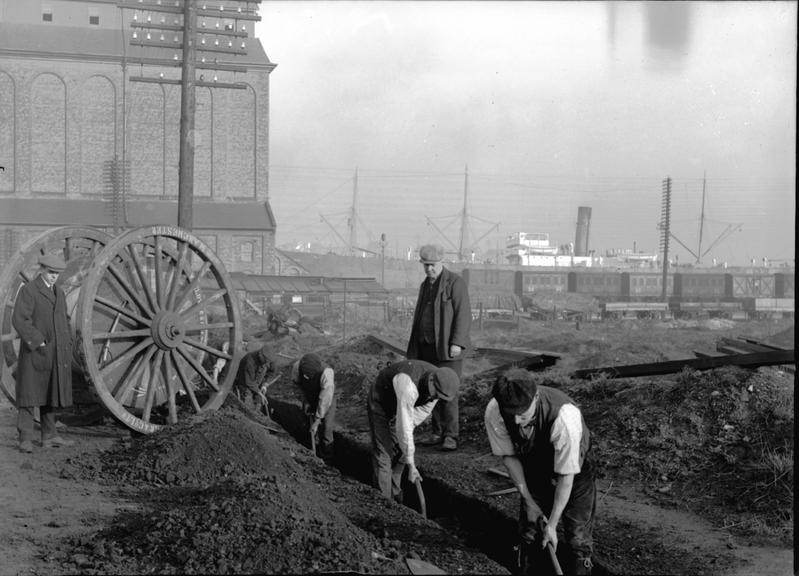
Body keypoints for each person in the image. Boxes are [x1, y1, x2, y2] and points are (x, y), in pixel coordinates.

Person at [484, 368, 596, 576]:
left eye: (522, 414)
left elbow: (566, 476)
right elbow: (509, 457)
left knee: (577, 536)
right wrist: (529, 501)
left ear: (535, 397)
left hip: (574, 471)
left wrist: (552, 524)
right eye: (511, 414)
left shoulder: (564, 418)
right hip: (534, 465)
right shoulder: (495, 410)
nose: (516, 421)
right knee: (530, 530)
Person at [406, 244, 472, 451]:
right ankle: (436, 432)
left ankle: (451, 435)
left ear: (442, 262)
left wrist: (457, 342)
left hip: (447, 350)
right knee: (430, 390)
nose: (428, 269)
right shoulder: (425, 285)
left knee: (448, 392)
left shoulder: (455, 283)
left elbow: (463, 315)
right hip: (426, 348)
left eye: (432, 265)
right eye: (425, 265)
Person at [367, 359, 459, 502]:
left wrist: (407, 454)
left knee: (400, 454)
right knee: (384, 453)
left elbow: (412, 420)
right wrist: (412, 464)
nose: (435, 398)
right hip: (380, 401)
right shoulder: (408, 384)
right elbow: (404, 424)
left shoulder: (438, 388)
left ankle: (396, 497)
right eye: (437, 395)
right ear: (431, 380)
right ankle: (384, 503)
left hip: (400, 408)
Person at [12, 253, 75, 453]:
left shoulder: (60, 293)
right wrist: (38, 341)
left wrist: (67, 340)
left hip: (55, 353)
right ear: (42, 270)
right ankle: (25, 438)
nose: (54, 277)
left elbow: (64, 318)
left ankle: (49, 436)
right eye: (51, 273)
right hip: (35, 354)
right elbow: (20, 320)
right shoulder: (29, 291)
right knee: (29, 396)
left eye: (57, 274)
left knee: (50, 394)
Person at [290, 353, 337, 460]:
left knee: (326, 428)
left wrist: (317, 420)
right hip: (309, 396)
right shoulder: (297, 367)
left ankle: (326, 459)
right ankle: (307, 453)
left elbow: (325, 399)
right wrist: (305, 402)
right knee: (306, 425)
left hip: (327, 399)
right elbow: (296, 386)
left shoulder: (327, 373)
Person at [233, 344, 273, 415]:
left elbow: (271, 371)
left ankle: (258, 413)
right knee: (247, 406)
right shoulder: (249, 360)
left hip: (258, 383)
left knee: (259, 401)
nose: (266, 362)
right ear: (260, 354)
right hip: (245, 384)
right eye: (265, 360)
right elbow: (249, 382)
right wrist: (259, 392)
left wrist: (265, 384)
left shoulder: (269, 359)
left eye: (267, 361)